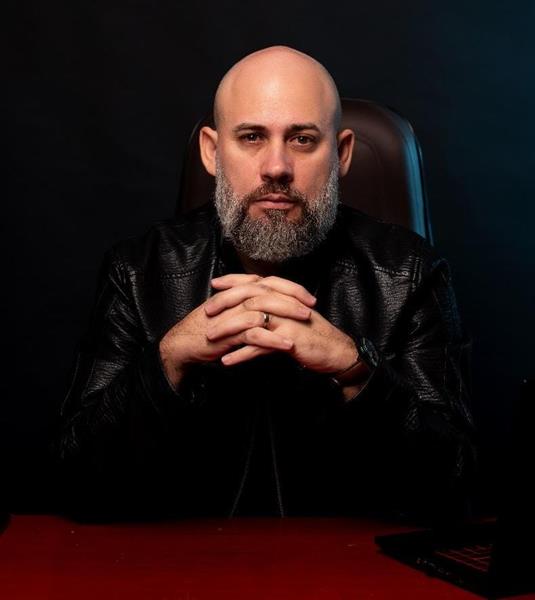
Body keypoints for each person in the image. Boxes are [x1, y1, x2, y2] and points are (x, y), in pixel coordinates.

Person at [58, 46, 475, 522]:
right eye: (252, 137)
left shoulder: (411, 274)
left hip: (346, 561)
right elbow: (74, 483)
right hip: (185, 561)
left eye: (302, 139)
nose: (276, 167)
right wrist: (168, 360)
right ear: (213, 152)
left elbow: (455, 490)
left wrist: (356, 370)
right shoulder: (138, 271)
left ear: (341, 155)